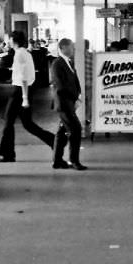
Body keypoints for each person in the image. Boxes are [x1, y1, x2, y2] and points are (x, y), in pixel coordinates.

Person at [0, 30, 56, 162]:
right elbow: (29, 75)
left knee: (8, 122)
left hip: (19, 92)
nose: (9, 42)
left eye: (10, 39)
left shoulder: (19, 54)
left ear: (14, 40)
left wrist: (24, 98)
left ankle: (8, 154)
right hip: (24, 90)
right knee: (28, 124)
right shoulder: (25, 53)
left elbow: (23, 77)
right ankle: (53, 141)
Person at [50, 38, 87, 170]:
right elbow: (61, 85)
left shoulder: (69, 63)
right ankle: (74, 161)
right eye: (71, 47)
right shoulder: (57, 64)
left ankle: (57, 160)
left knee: (62, 131)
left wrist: (79, 96)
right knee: (76, 129)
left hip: (69, 103)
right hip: (63, 103)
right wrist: (74, 97)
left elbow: (74, 82)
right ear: (63, 48)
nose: (73, 49)